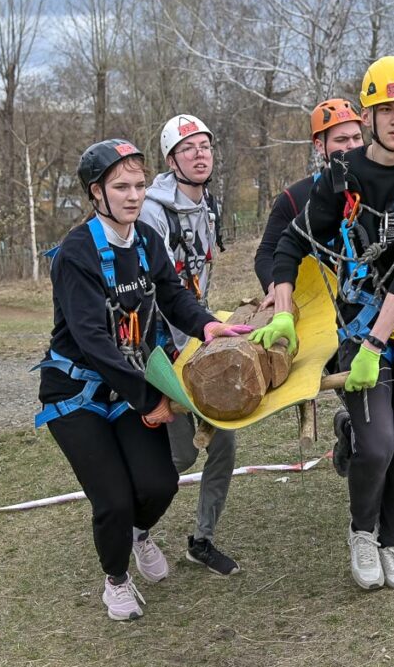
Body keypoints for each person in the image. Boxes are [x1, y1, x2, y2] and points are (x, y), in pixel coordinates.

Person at [250, 56, 394, 591]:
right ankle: (362, 533)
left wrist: (375, 341)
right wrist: (281, 312)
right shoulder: (342, 179)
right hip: (359, 328)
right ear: (368, 116)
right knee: (377, 446)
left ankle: (392, 542)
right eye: (385, 109)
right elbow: (292, 242)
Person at [36, 139, 250, 622]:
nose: (133, 196)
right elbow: (93, 340)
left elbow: (174, 296)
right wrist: (150, 397)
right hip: (77, 393)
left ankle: (139, 534)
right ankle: (116, 579)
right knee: (111, 499)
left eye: (137, 185)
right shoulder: (75, 254)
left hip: (130, 384)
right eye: (120, 187)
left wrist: (207, 325)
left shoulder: (148, 241)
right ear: (97, 193)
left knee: (159, 484)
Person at [137, 114, 242, 576]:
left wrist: (207, 327)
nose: (200, 154)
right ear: (171, 160)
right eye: (188, 149)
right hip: (163, 347)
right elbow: (155, 288)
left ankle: (202, 539)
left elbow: (199, 276)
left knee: (224, 441)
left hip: (198, 336)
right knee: (179, 454)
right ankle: (134, 528)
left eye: (205, 146)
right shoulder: (151, 212)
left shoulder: (210, 206)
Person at [253, 98, 364, 478]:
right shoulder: (294, 199)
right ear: (320, 146)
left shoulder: (379, 188)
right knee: (366, 413)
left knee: (375, 413)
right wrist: (277, 290)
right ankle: (356, 438)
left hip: (366, 314)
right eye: (339, 140)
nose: (350, 148)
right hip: (319, 317)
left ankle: (355, 437)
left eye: (356, 138)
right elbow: (268, 253)